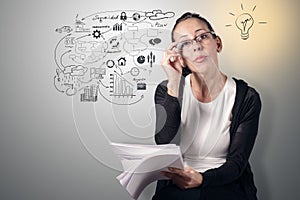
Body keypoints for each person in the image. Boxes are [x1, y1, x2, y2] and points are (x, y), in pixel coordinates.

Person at [152, 12, 262, 200]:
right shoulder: (167, 90)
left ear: (217, 43)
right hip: (177, 185)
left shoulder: (246, 97)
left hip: (225, 183)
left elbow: (237, 163)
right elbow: (164, 144)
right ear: (179, 56)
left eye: (202, 36)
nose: (196, 46)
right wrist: (173, 83)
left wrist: (202, 179)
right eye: (185, 43)